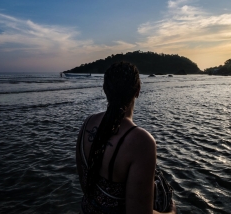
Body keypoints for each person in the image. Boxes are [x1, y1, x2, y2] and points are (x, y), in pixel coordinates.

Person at [76, 62, 177, 214]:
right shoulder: (141, 142)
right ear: (138, 91)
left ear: (105, 90)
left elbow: (86, 184)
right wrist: (172, 212)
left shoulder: (88, 124)